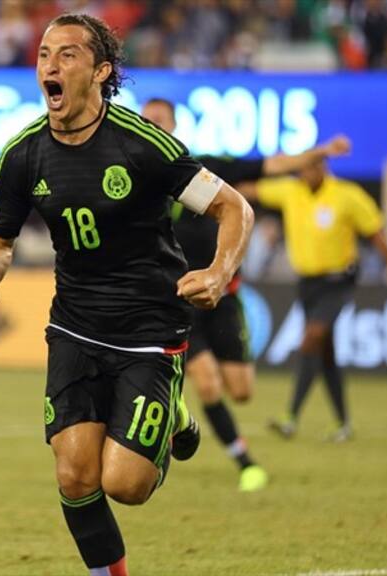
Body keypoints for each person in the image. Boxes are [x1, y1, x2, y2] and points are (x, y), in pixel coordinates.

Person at [0, 14, 253, 576]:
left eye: (68, 55)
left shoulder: (145, 145)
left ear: (101, 71)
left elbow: (233, 208)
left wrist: (219, 272)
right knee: (74, 475)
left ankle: (172, 415)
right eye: (45, 54)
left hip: (150, 330)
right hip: (74, 325)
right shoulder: (22, 155)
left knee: (124, 485)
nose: (51, 65)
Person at [141, 97, 352, 490]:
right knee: (205, 383)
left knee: (241, 391)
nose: (153, 125)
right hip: (178, 301)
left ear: (173, 126)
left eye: (160, 120)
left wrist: (321, 151)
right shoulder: (135, 177)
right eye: (146, 120)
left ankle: (186, 413)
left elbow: (269, 166)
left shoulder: (203, 168)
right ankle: (244, 462)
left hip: (224, 296)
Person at [241, 157, 387, 441]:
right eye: (304, 167)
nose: (308, 172)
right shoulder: (290, 190)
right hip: (308, 283)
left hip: (338, 281)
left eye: (313, 166)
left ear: (323, 167)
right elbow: (251, 190)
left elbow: (376, 233)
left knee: (312, 337)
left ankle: (290, 417)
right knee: (324, 353)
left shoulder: (347, 195)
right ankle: (343, 424)